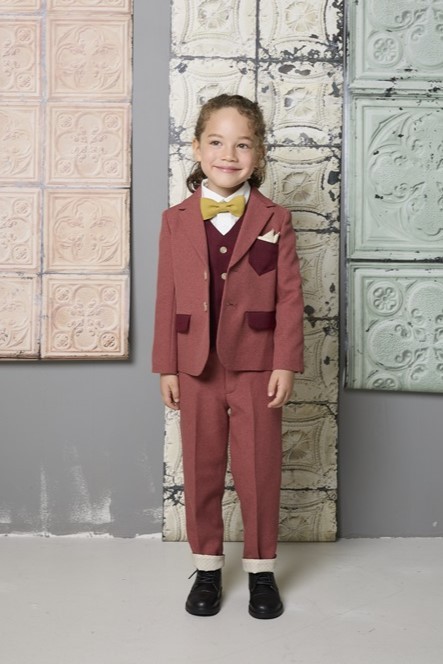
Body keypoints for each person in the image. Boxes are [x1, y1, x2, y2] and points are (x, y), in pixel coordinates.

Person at [152, 94, 304, 619]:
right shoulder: (174, 220)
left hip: (258, 363)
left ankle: (261, 571)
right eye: (216, 142)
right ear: (197, 149)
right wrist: (166, 365)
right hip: (195, 365)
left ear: (258, 154)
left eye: (243, 145)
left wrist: (285, 361)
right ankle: (208, 569)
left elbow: (289, 295)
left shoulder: (275, 217)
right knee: (202, 467)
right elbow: (167, 295)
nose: (228, 154)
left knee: (259, 467)